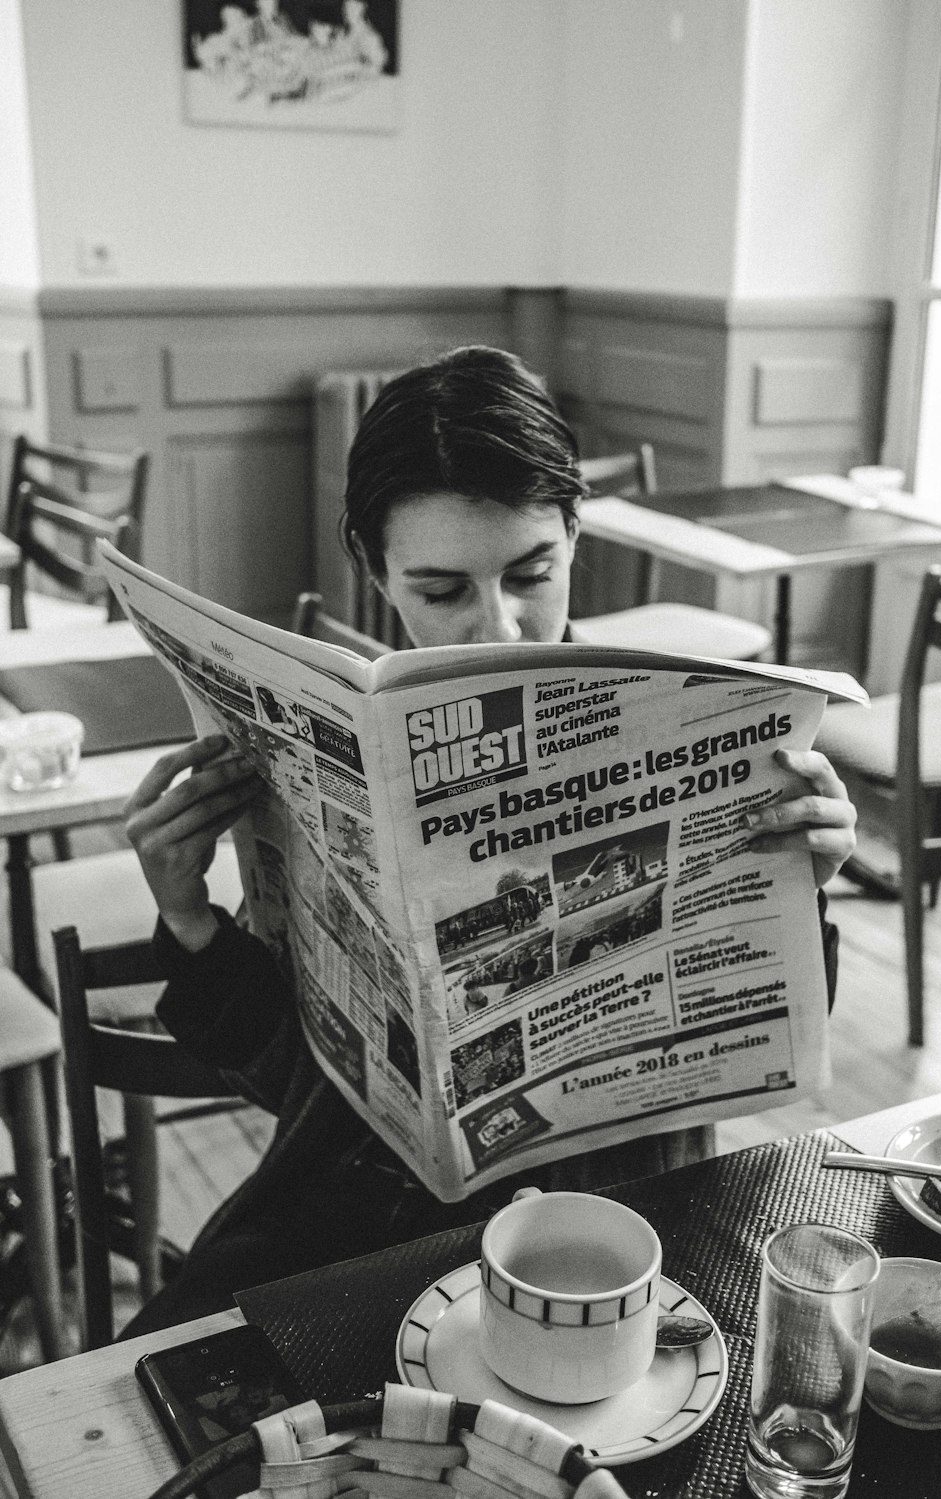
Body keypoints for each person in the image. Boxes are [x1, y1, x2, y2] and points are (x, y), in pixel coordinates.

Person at [121, 346, 856, 1334]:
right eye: (441, 588)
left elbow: (750, 1041)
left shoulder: (694, 720)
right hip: (363, 1220)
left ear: (574, 533)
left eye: (530, 573)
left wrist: (804, 885)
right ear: (377, 572)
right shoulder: (341, 752)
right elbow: (286, 1067)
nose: (498, 620)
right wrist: (186, 912)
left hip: (624, 1220)